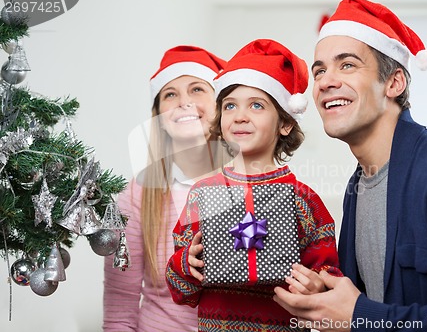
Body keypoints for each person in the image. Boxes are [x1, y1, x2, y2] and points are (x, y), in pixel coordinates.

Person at [273, 0, 427, 331]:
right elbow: (372, 300)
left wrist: (359, 316)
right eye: (319, 70)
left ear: (394, 83)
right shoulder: (359, 184)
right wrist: (328, 297)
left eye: (347, 65)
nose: (324, 81)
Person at [165, 39, 343, 331]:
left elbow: (329, 278)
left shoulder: (303, 200)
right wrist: (186, 265)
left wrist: (317, 285)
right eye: (230, 105)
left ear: (285, 124)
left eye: (257, 105)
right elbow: (181, 293)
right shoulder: (202, 195)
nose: (240, 115)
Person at [103, 45, 228, 332]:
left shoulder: (252, 185)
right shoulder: (137, 194)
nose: (184, 102)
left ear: (220, 104)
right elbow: (120, 306)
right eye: (170, 94)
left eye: (197, 89)